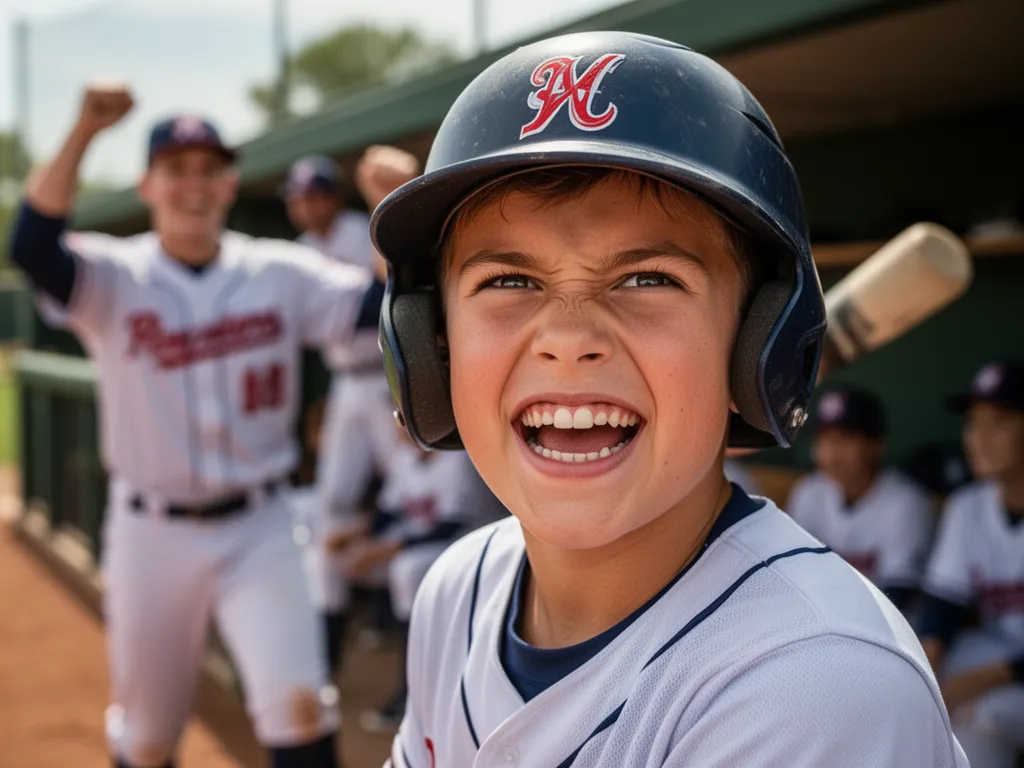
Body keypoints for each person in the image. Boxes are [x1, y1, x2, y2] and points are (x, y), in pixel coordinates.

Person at [369, 30, 967, 768]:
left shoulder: (817, 683)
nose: (568, 338)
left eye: (648, 279)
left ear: (757, 347)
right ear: (430, 345)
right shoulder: (457, 591)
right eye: (509, 281)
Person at [7, 84, 413, 768]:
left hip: (261, 528)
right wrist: (82, 129)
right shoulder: (114, 274)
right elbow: (32, 246)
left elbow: (383, 299)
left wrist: (396, 207)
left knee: (301, 712)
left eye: (208, 169)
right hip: (149, 536)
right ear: (148, 185)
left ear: (230, 184)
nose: (193, 184)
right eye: (176, 169)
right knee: (147, 738)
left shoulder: (278, 271)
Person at [282, 153, 406, 672]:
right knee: (333, 501)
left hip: (386, 377)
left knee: (413, 494)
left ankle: (397, 625)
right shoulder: (300, 251)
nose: (311, 205)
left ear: (336, 197)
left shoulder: (363, 229)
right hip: (345, 383)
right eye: (301, 197)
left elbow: (397, 283)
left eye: (320, 194)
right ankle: (326, 647)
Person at [917, 361, 1024, 768]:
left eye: (998, 423)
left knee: (984, 711)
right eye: (973, 422)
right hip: (1001, 652)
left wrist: (968, 684)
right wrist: (922, 682)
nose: (978, 437)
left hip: (1008, 671)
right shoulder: (968, 507)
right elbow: (942, 609)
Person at [787, 388, 936, 612]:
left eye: (845, 439)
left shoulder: (906, 502)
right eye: (824, 439)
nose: (832, 452)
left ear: (878, 445)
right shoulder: (809, 492)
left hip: (884, 626)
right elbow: (792, 573)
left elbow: (900, 593)